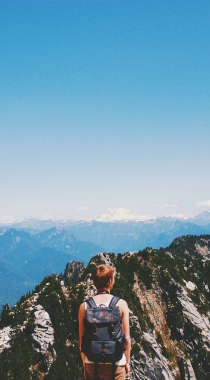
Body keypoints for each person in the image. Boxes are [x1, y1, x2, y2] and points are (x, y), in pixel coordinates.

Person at [78, 264, 131, 380]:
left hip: (91, 363)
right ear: (110, 282)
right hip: (117, 364)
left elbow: (81, 339)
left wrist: (84, 361)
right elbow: (127, 339)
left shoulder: (84, 306)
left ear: (95, 282)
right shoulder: (121, 304)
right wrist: (127, 362)